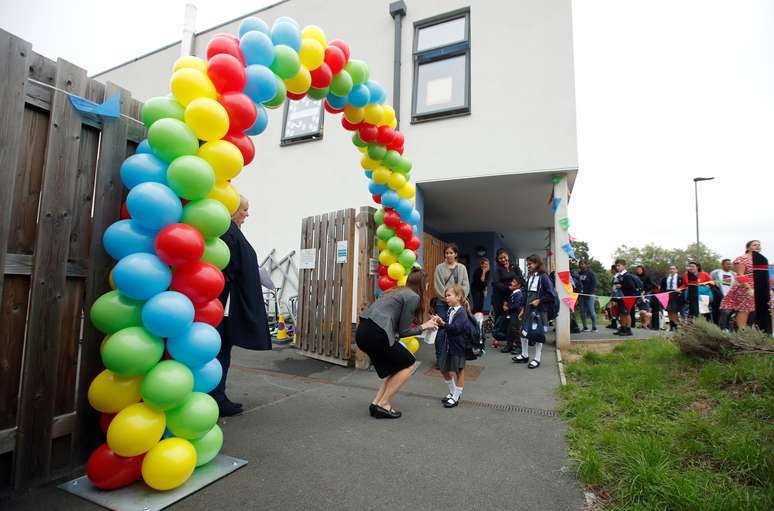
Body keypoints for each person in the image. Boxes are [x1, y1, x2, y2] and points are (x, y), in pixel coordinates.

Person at [211, 196, 272, 417]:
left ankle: (218, 396)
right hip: (220, 304)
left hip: (224, 304)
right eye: (244, 209)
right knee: (219, 352)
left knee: (223, 351)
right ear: (232, 209)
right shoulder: (226, 232)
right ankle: (216, 398)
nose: (247, 214)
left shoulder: (230, 231)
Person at [356, 268, 438, 419]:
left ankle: (376, 404)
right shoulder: (413, 296)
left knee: (397, 366)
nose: (427, 286)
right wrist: (425, 326)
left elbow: (395, 325)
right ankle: (384, 403)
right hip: (376, 334)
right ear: (422, 284)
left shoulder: (396, 291)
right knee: (410, 364)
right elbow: (404, 331)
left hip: (363, 331)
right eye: (427, 283)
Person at [432, 285, 472, 408]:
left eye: (449, 295)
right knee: (444, 368)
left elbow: (456, 328)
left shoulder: (461, 313)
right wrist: (438, 321)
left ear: (459, 297)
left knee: (459, 371)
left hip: (458, 346)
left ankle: (456, 397)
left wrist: (442, 324)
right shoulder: (450, 310)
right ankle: (453, 391)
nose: (446, 298)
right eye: (445, 296)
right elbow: (445, 324)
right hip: (448, 345)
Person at [512, 254, 555, 368]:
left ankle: (537, 358)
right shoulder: (530, 277)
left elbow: (551, 295)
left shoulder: (544, 277)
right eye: (527, 264)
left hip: (539, 310)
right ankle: (524, 355)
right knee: (523, 331)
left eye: (530, 264)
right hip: (527, 308)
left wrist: (539, 300)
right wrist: (522, 308)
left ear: (537, 264)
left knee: (538, 333)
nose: (528, 266)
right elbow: (526, 294)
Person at [432, 244, 470, 367]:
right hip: (442, 303)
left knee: (456, 330)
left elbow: (465, 285)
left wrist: (458, 300)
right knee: (442, 330)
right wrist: (448, 298)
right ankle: (440, 359)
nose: (448, 255)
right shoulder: (439, 268)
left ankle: (454, 359)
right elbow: (438, 286)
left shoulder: (462, 268)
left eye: (451, 253)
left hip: (457, 303)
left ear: (456, 254)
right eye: (447, 253)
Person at [720, 240, 769, 329]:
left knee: (765, 307)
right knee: (745, 310)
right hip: (746, 287)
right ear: (748, 247)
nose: (757, 246)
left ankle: (766, 332)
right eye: (754, 245)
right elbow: (740, 275)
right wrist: (748, 288)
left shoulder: (761, 259)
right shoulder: (742, 259)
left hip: (760, 286)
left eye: (759, 245)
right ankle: (742, 332)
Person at [491, 249, 524, 346]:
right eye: (500, 258)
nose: (503, 259)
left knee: (513, 318)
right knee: (499, 317)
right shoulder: (497, 269)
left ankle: (512, 338)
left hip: (513, 296)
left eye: (504, 257)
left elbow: (521, 278)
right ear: (498, 259)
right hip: (500, 297)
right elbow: (496, 283)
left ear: (508, 256)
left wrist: (517, 286)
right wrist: (508, 287)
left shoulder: (515, 267)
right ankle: (497, 337)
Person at [613, 259, 639, 336]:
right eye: (616, 266)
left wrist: (621, 286)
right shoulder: (619, 275)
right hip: (620, 297)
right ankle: (623, 328)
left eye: (619, 265)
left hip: (628, 297)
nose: (617, 267)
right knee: (621, 313)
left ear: (624, 266)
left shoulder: (627, 275)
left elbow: (631, 287)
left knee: (626, 313)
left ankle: (628, 330)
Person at [502, 277, 525, 354]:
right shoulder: (514, 293)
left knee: (516, 330)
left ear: (519, 285)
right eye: (512, 281)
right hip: (512, 314)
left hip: (516, 314)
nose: (512, 283)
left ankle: (519, 347)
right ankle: (509, 345)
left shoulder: (518, 294)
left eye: (514, 282)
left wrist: (508, 308)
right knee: (510, 330)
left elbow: (517, 305)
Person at [711, 259, 736, 328]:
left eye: (730, 264)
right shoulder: (715, 273)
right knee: (716, 312)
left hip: (730, 297)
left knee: (728, 313)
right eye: (727, 264)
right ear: (722, 265)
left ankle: (726, 327)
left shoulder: (733, 274)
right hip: (718, 296)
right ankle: (716, 327)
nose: (729, 265)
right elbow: (711, 282)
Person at [660, 265, 684, 331]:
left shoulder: (680, 278)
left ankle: (676, 326)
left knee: (674, 311)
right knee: (669, 310)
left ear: (677, 270)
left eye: (673, 269)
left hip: (676, 294)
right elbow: (662, 288)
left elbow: (683, 286)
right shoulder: (665, 278)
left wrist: (680, 291)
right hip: (667, 294)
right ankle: (672, 326)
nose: (672, 270)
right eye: (670, 269)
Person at [577, 260, 597, 332]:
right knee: (582, 311)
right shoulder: (578, 273)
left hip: (590, 295)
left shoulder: (591, 273)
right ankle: (585, 327)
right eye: (580, 264)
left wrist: (590, 294)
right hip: (581, 295)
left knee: (591, 311)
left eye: (582, 264)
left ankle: (594, 327)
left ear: (586, 265)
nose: (581, 265)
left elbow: (594, 284)